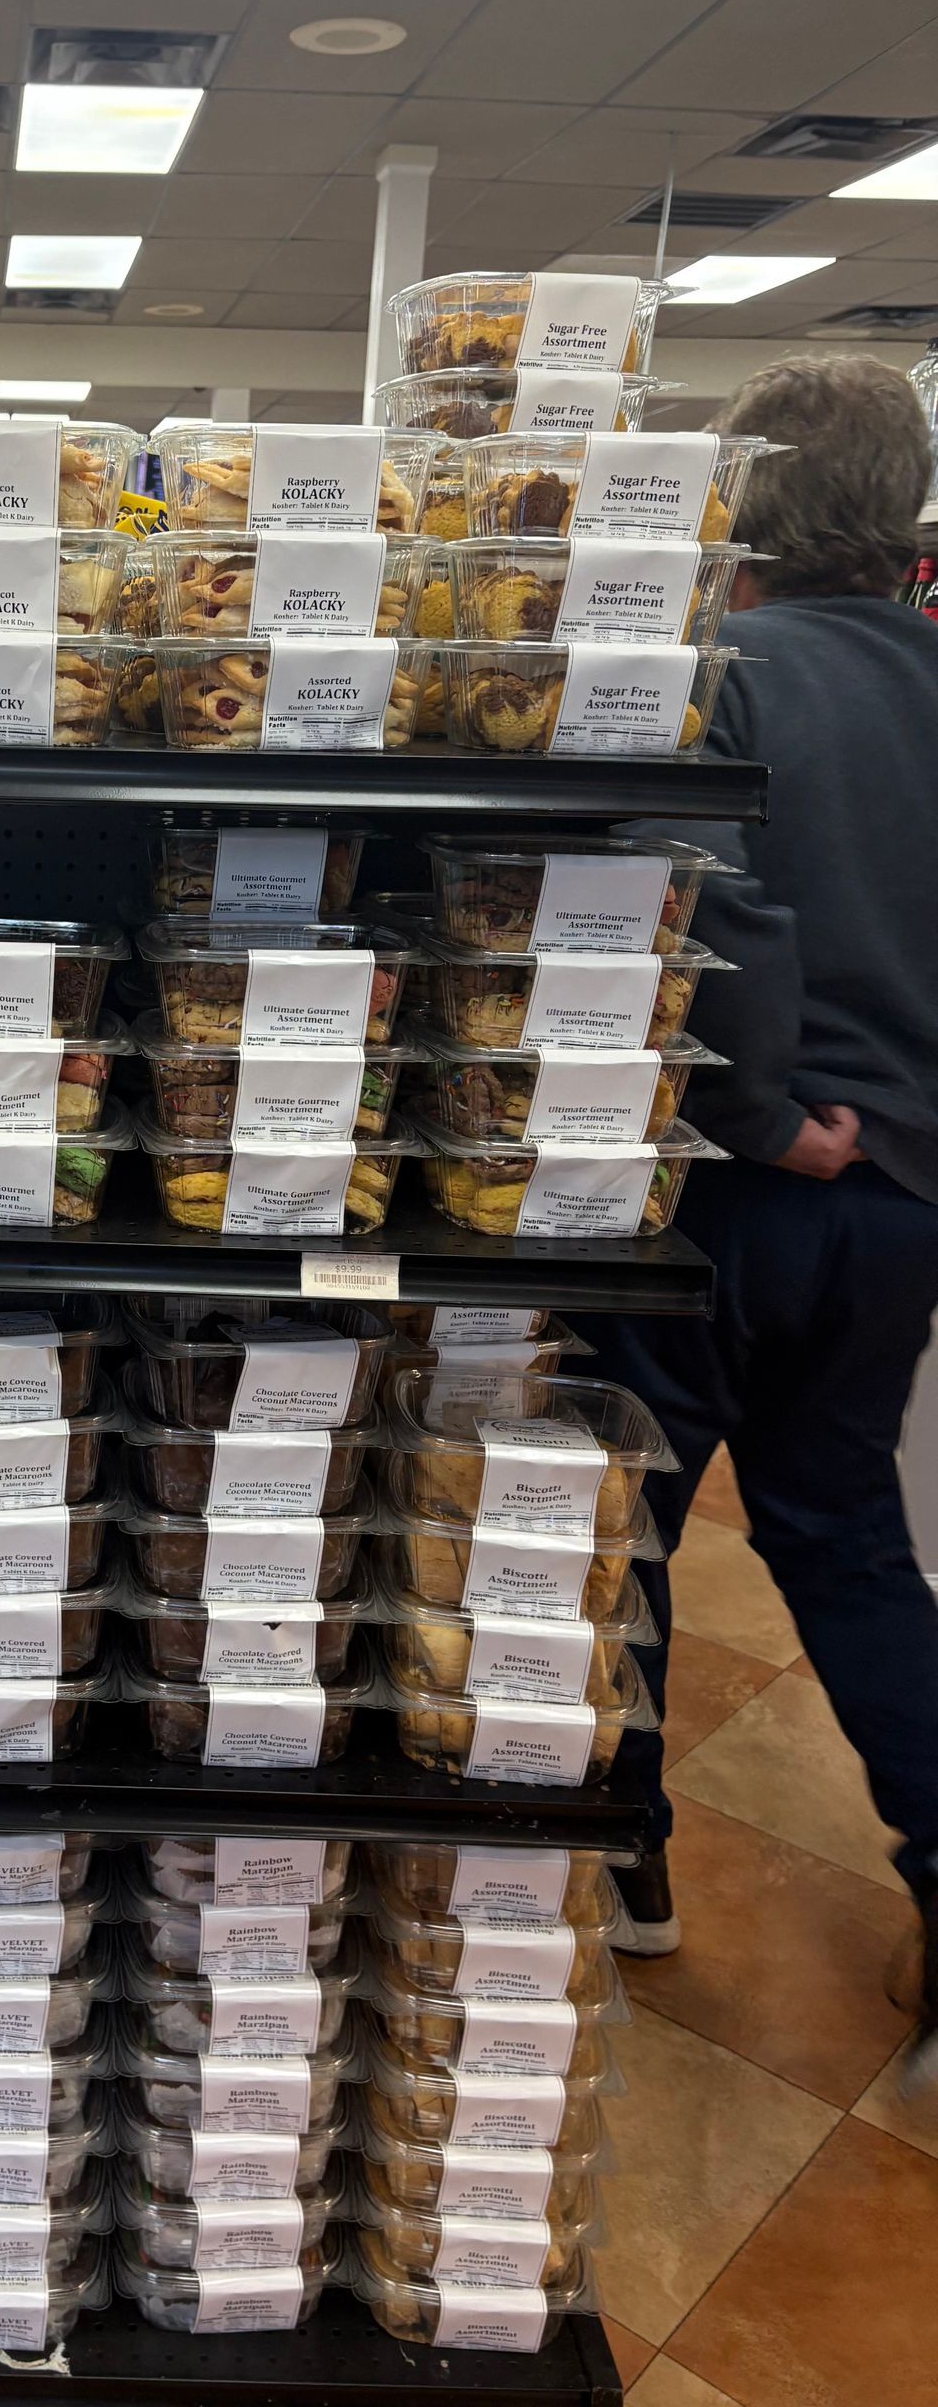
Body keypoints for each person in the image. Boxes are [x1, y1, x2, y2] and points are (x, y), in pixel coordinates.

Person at [589, 352, 938, 2070]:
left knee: (627, 1531)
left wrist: (758, 1115)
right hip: (905, 1196)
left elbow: (695, 900)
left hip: (736, 1192)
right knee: (847, 1531)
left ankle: (626, 1858)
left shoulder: (720, 674)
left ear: (743, 504)